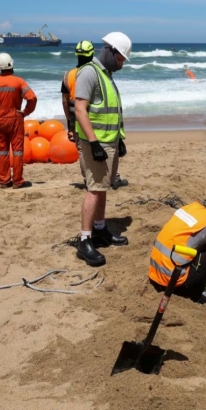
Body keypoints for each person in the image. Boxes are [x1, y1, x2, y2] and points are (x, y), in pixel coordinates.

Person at [74, 32, 132, 267]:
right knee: (94, 189)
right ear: (112, 51)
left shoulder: (105, 75)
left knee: (103, 186)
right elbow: (80, 109)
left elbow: (109, 110)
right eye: (121, 59)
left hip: (109, 141)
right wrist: (94, 142)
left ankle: (100, 230)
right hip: (96, 143)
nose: (122, 64)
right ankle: (85, 240)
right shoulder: (89, 72)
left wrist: (119, 139)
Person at [61, 41, 129, 190]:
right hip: (90, 123)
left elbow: (65, 102)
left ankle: (88, 178)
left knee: (82, 153)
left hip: (76, 121)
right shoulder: (92, 72)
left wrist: (69, 123)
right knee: (93, 161)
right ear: (92, 53)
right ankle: (93, 180)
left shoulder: (68, 75)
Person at [0, 53, 37, 189]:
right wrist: (26, 112)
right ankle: (17, 181)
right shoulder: (19, 81)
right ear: (12, 64)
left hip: (1, 118)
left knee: (2, 151)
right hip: (15, 117)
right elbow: (32, 98)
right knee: (17, 151)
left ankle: (4, 181)